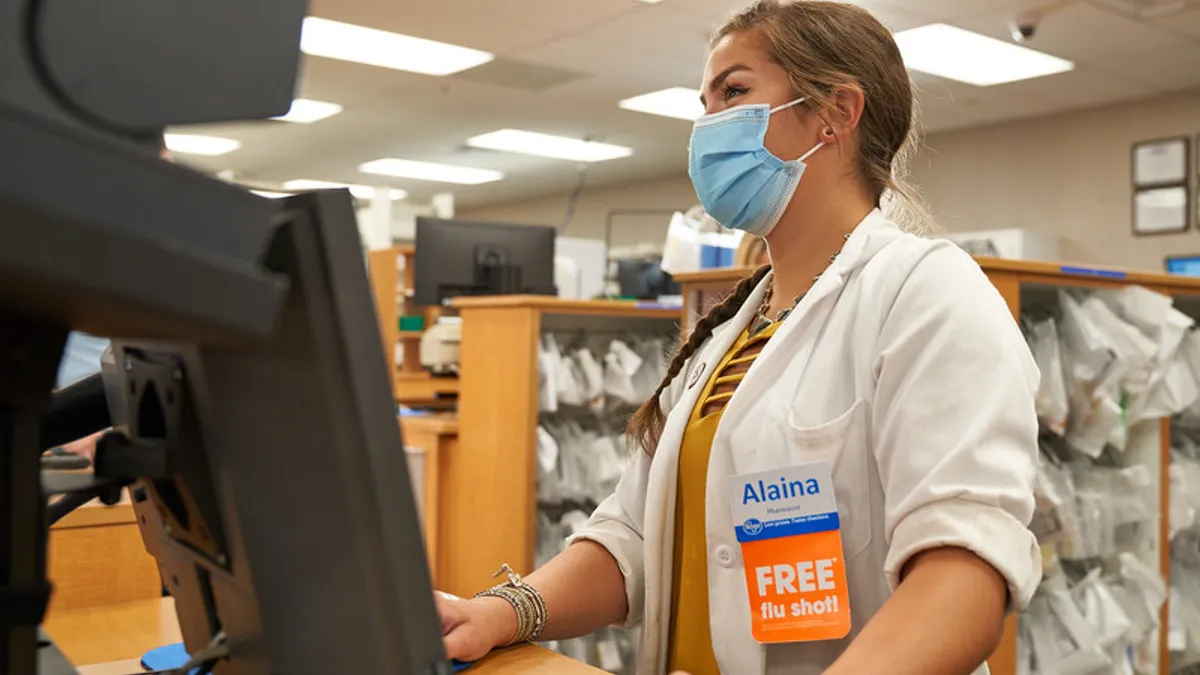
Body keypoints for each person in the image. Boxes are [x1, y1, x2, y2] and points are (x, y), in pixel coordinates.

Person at [437, 2, 1041, 674]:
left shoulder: (927, 293)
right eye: (704, 102)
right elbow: (634, 536)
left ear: (836, 112)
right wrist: (501, 610)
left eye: (734, 91)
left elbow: (962, 574)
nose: (708, 125)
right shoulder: (732, 329)